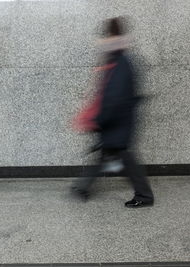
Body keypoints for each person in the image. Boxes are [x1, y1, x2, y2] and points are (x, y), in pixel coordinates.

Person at [71, 17, 154, 208]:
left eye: (106, 36)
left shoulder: (120, 63)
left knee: (125, 158)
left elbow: (114, 96)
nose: (102, 41)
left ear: (111, 37)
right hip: (118, 121)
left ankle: (145, 196)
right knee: (105, 156)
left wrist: (100, 119)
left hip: (116, 122)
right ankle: (81, 188)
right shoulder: (119, 60)